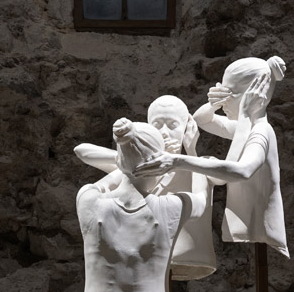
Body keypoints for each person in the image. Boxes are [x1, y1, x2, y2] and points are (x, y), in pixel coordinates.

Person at [135, 56, 289, 258]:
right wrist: (213, 103)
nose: (225, 102)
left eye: (230, 95)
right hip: (248, 218)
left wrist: (178, 161)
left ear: (252, 95)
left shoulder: (261, 131)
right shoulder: (245, 128)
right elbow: (202, 119)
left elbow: (238, 172)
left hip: (259, 220)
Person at [76, 119, 203, 292]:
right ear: (161, 165)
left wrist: (128, 159)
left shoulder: (87, 199)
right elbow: (202, 198)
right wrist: (189, 154)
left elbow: (104, 179)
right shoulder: (172, 206)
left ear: (119, 161)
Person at [74, 95, 216, 280]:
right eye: (157, 125)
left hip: (187, 256)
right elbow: (82, 151)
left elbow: (224, 177)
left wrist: (189, 154)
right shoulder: (138, 168)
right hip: (148, 255)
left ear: (187, 129)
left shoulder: (202, 164)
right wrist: (137, 154)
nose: (164, 132)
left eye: (172, 125)